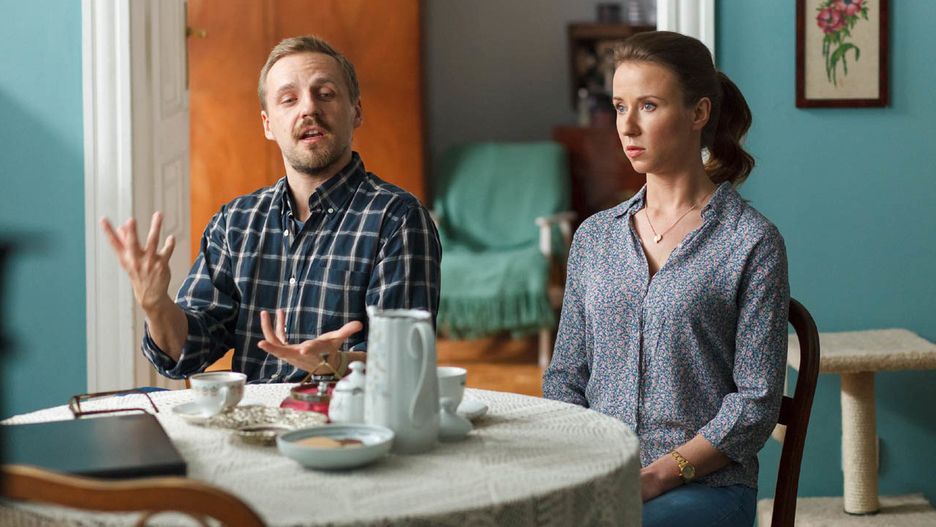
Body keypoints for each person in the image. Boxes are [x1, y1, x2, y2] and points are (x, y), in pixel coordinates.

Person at [543, 31, 789, 527]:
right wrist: (579, 466)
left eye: (648, 106)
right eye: (619, 107)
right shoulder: (595, 237)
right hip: (599, 473)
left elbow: (756, 404)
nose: (627, 126)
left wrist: (654, 478)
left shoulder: (751, 242)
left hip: (706, 488)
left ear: (698, 113)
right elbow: (565, 376)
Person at [101, 35, 441, 383]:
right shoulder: (235, 223)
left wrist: (337, 363)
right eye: (289, 99)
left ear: (356, 112)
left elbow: (406, 359)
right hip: (253, 416)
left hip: (345, 415)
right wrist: (156, 306)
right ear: (268, 124)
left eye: (325, 94)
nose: (308, 109)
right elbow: (186, 353)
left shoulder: (398, 218)